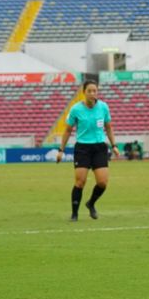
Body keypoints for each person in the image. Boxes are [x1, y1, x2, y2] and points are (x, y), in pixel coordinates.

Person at [56, 80, 120, 221]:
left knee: (102, 183)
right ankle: (74, 214)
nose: (92, 93)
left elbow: (108, 127)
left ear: (97, 92)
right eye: (89, 91)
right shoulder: (76, 109)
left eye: (94, 91)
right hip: (83, 148)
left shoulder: (103, 107)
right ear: (84, 92)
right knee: (80, 182)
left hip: (99, 147)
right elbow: (67, 130)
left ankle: (91, 203)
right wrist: (61, 150)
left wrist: (114, 145)